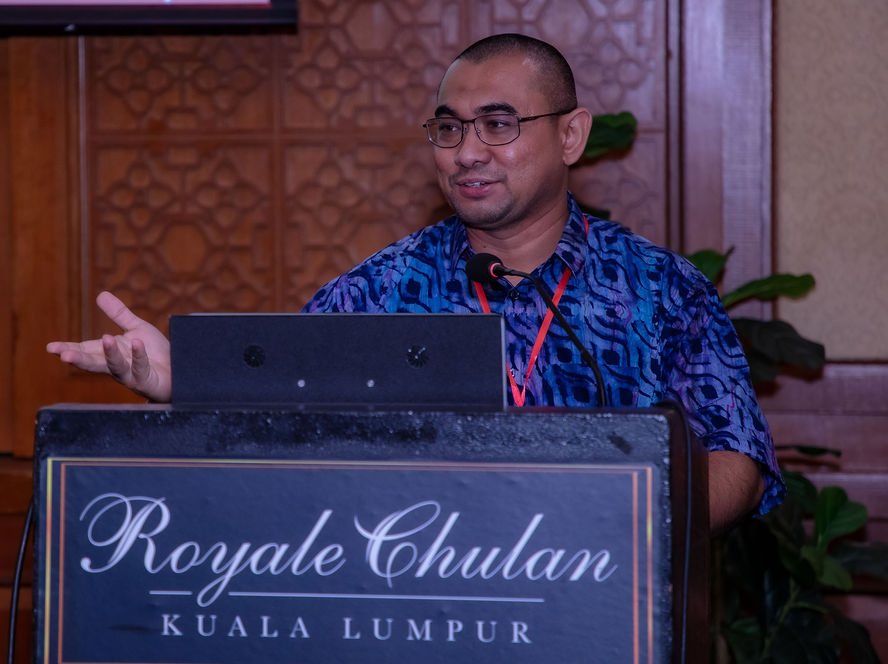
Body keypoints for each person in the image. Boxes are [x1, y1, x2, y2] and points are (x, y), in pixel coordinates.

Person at [47, 33, 784, 535]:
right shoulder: (379, 289)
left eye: (498, 124)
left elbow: (737, 461)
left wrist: (613, 524)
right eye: (449, 128)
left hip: (606, 611)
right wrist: (183, 382)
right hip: (424, 608)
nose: (468, 153)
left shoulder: (661, 288)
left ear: (570, 135)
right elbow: (281, 407)